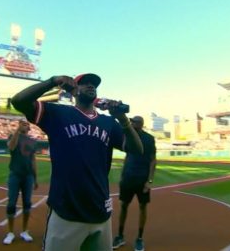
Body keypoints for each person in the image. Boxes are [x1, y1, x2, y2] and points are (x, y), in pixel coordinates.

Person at [11, 73, 143, 251]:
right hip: (66, 212)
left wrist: (122, 118)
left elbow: (136, 149)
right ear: (73, 90)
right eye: (84, 83)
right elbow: (18, 101)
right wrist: (52, 82)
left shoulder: (109, 122)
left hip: (100, 211)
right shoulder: (58, 113)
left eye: (94, 84)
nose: (91, 86)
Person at [112, 116, 156, 251]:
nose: (131, 123)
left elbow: (153, 161)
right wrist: (122, 175)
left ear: (140, 124)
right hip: (128, 179)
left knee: (143, 207)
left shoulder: (149, 138)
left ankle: (140, 238)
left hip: (142, 179)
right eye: (130, 122)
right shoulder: (128, 135)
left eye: (134, 122)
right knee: (123, 205)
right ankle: (120, 236)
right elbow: (128, 156)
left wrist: (149, 181)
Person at [2, 120, 39, 245]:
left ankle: (24, 230)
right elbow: (11, 147)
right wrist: (17, 130)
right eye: (23, 124)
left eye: (27, 124)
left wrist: (35, 178)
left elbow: (33, 160)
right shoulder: (13, 136)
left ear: (29, 127)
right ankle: (10, 232)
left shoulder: (33, 141)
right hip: (15, 175)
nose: (25, 125)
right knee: (11, 203)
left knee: (27, 204)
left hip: (28, 176)